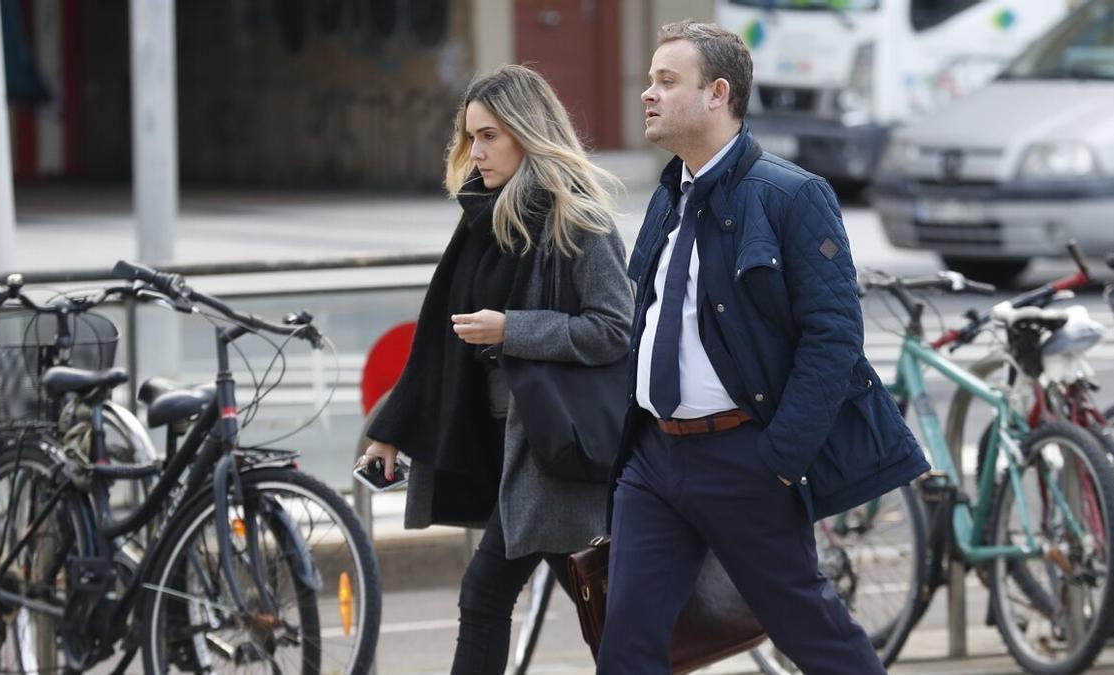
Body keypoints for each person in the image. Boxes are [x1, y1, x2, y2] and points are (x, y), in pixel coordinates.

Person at [595, 21, 930, 674]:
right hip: (653, 459)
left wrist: (779, 458)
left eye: (667, 81)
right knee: (626, 645)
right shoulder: (671, 193)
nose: (647, 94)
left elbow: (833, 336)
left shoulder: (792, 195)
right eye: (649, 80)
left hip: (742, 458)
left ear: (718, 93)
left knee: (811, 632)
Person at [360, 64, 633, 674]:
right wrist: (392, 428)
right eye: (470, 137)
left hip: (555, 452)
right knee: (606, 616)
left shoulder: (578, 220)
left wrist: (514, 328)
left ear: (526, 133)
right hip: (510, 445)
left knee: (487, 597)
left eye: (489, 136)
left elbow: (616, 327)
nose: (475, 152)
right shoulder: (483, 218)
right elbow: (438, 336)